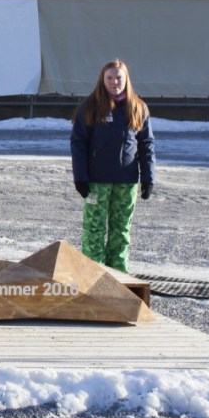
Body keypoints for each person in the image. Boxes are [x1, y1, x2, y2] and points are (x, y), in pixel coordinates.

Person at [70, 59, 156, 273]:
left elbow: (146, 144)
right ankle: (92, 275)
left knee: (121, 232)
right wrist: (80, 176)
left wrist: (148, 178)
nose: (114, 82)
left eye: (119, 77)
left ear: (126, 79)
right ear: (103, 80)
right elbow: (78, 143)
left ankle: (118, 277)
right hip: (96, 182)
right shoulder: (90, 106)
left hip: (126, 183)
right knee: (94, 230)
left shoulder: (137, 107)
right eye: (109, 78)